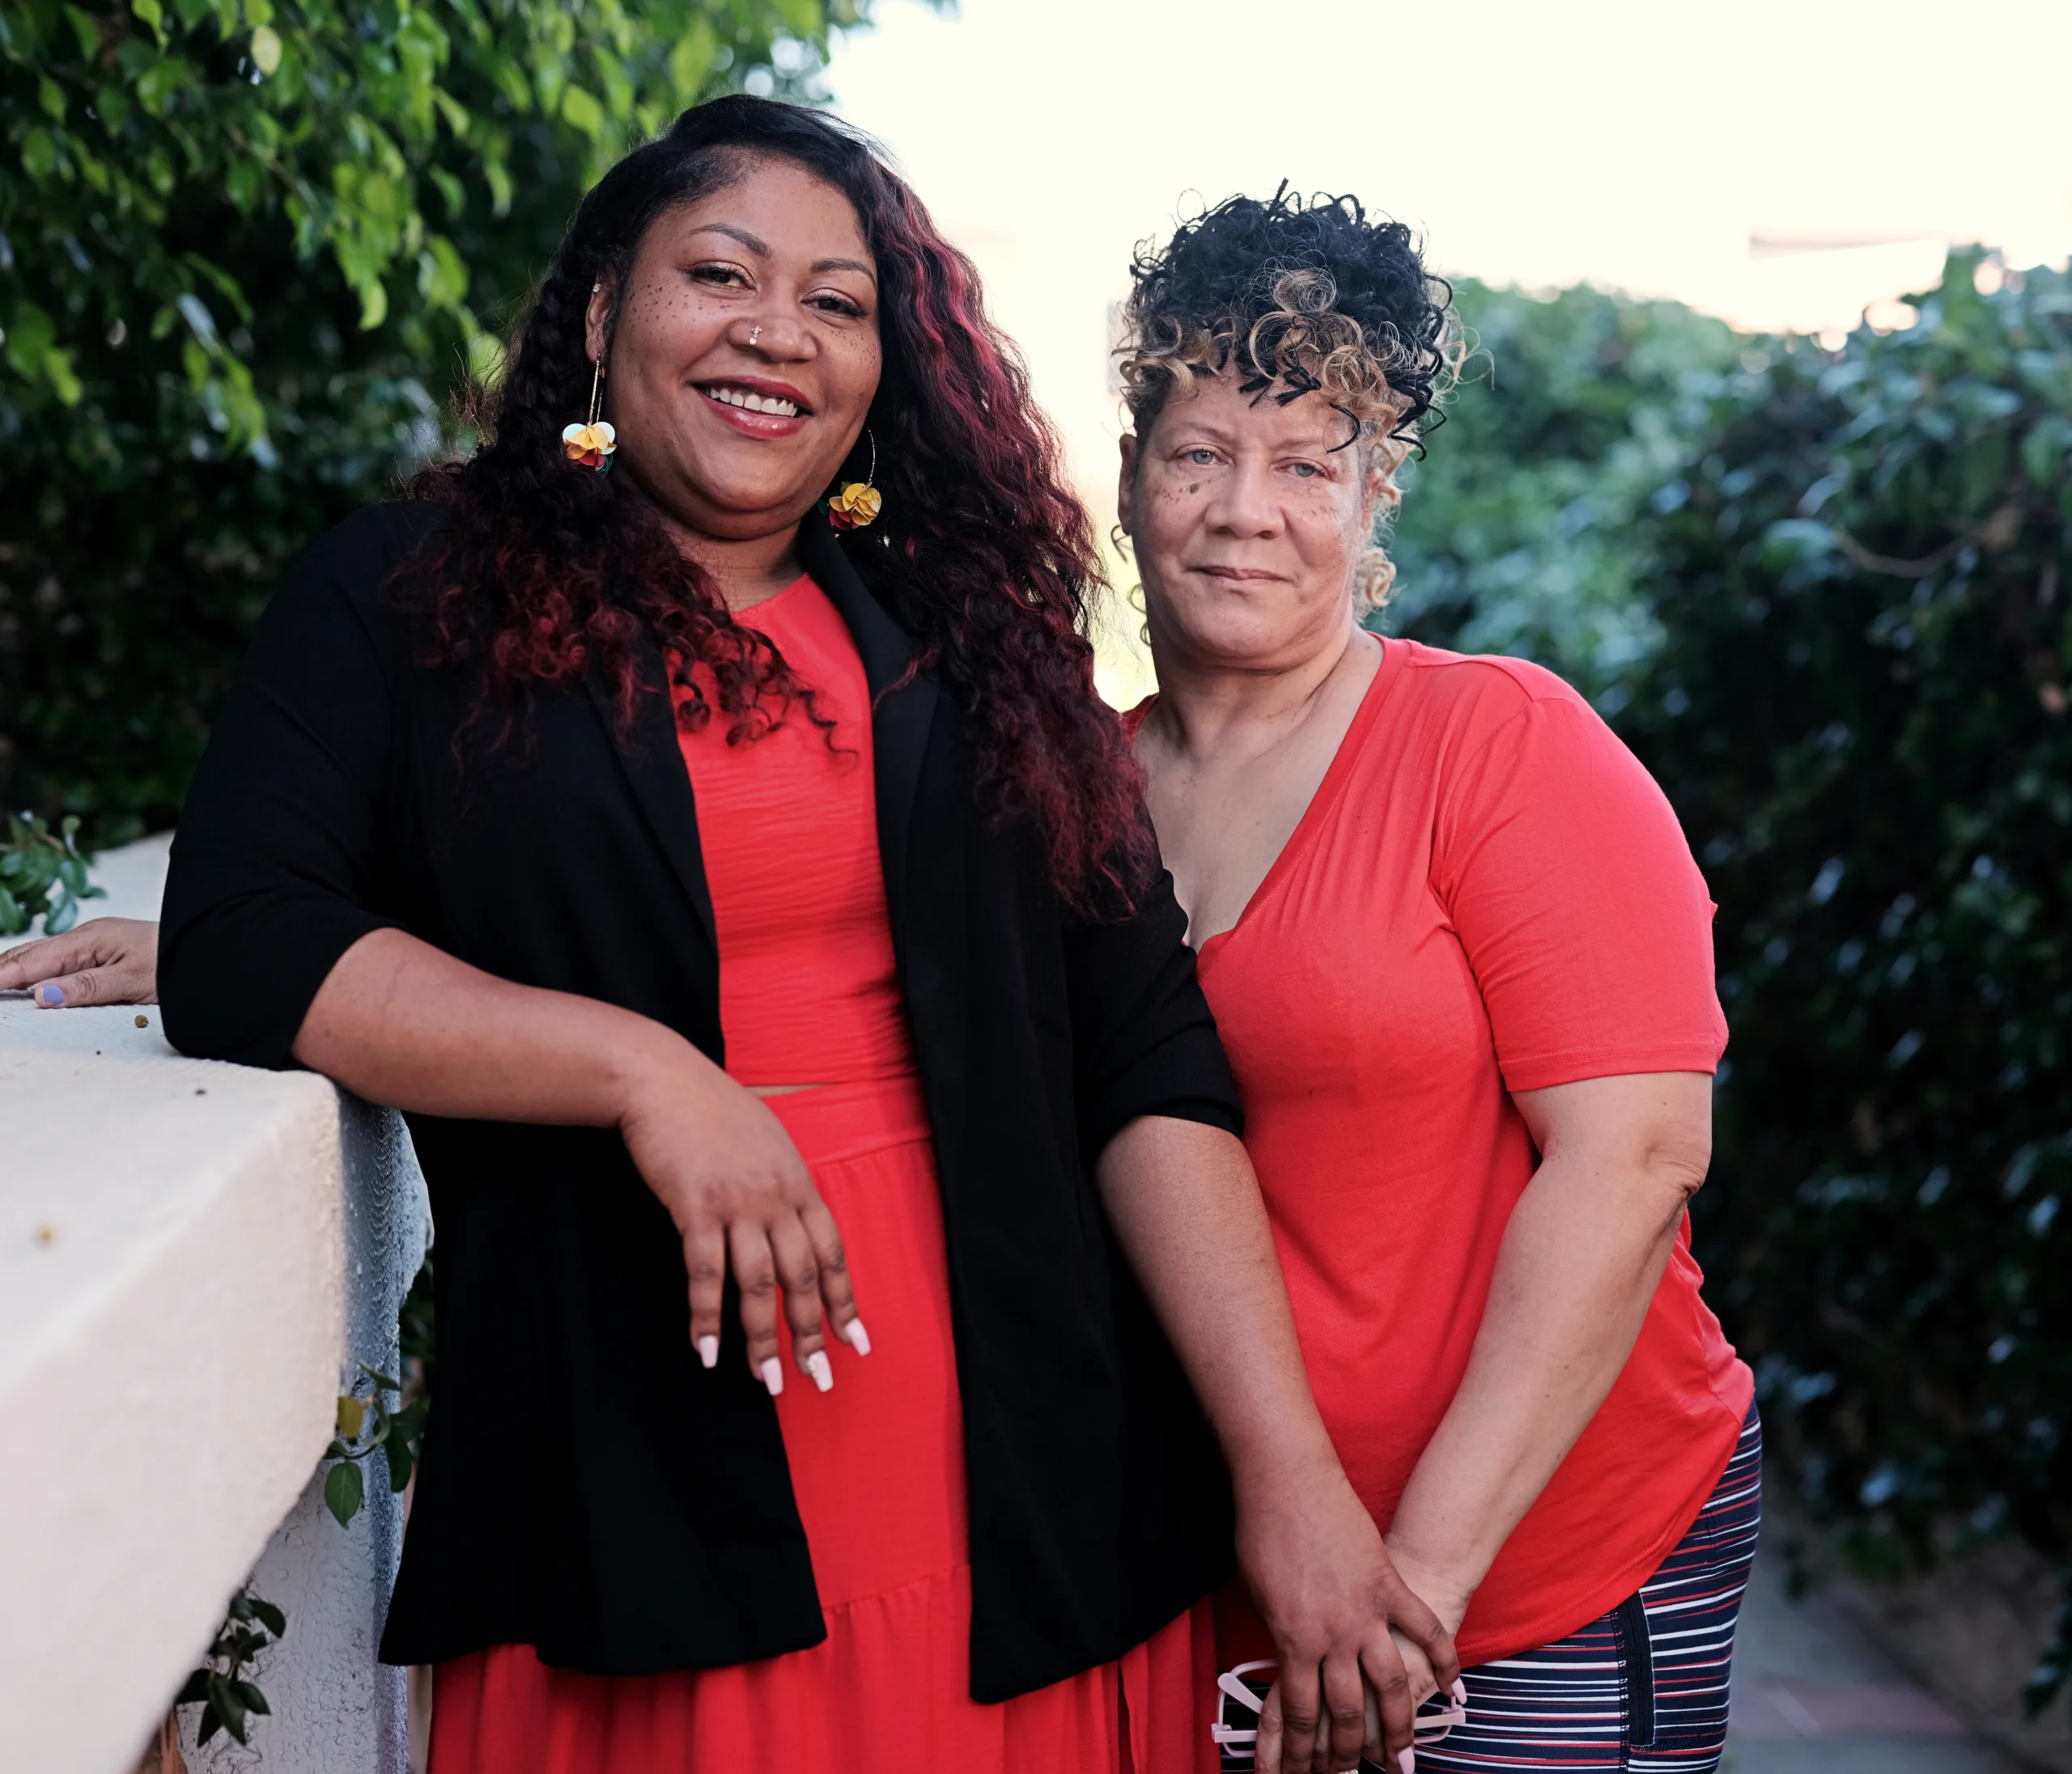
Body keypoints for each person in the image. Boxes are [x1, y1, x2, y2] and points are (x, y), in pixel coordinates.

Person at [19, 103, 1461, 1774]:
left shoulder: (962, 635)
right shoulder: (408, 590)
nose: (776, 332)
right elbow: (251, 938)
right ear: (597, 313)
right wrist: (646, 1074)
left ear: (879, 366)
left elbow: (1143, 1053)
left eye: (837, 303)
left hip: (1012, 1459)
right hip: (635, 1452)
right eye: (720, 273)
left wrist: (1281, 1475)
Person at [1112, 190, 1758, 1774]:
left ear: (1374, 492)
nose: (1241, 510)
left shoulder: (1499, 747)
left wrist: (1417, 1591)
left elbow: (1635, 1156)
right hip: (1237, 1575)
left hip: (1537, 1558)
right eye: (1198, 452)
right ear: (1127, 477)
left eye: (1305, 464)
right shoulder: (1074, 791)